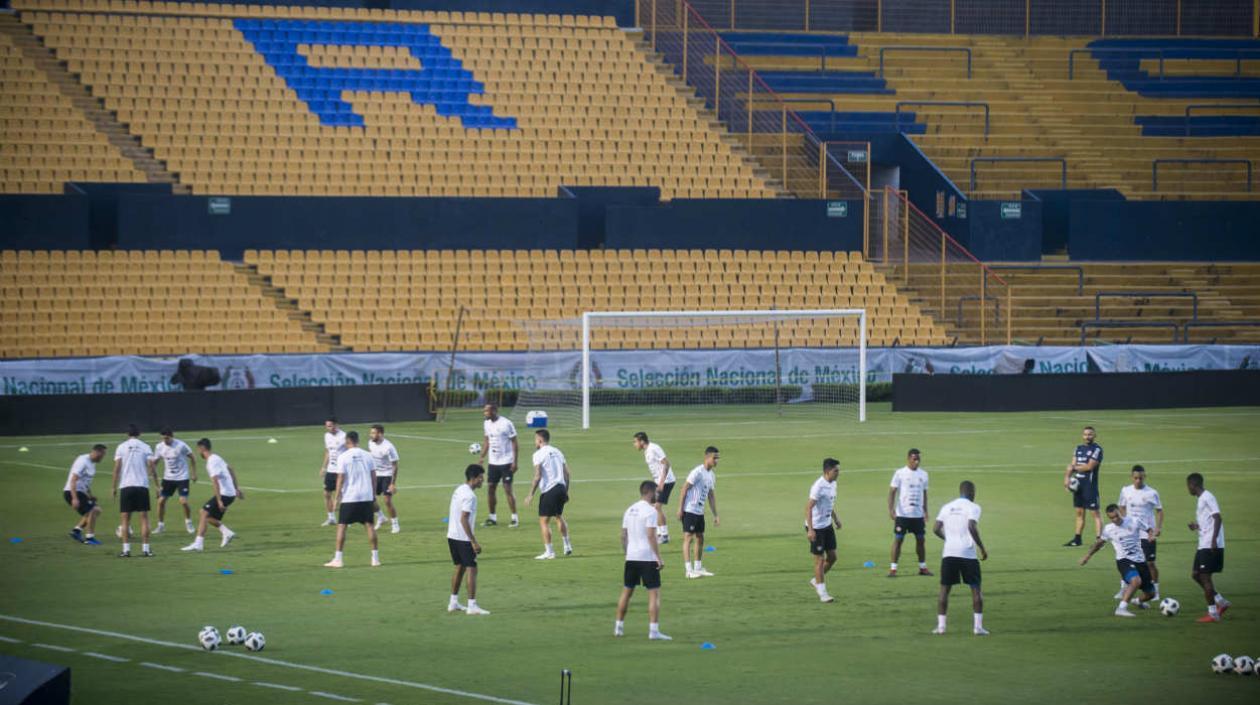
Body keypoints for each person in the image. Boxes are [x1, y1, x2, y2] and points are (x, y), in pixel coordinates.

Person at [1078, 504, 1156, 617]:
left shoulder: (1134, 521)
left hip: (1140, 560)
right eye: (1112, 518)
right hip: (1124, 561)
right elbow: (1099, 544)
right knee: (1136, 581)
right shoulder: (1109, 529)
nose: (1115, 520)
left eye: (1116, 516)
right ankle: (1121, 609)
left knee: (1151, 594)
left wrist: (1151, 536)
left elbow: (1149, 529)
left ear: (1120, 512)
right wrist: (1087, 556)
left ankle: (1137, 601)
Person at [615, 480, 670, 640]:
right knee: (654, 593)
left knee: (627, 591)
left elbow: (623, 536)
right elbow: (651, 536)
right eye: (657, 493)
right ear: (650, 492)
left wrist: (627, 553)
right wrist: (658, 558)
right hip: (647, 558)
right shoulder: (651, 511)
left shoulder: (629, 510)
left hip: (631, 557)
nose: (658, 496)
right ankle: (653, 631)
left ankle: (618, 627)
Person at [932, 480, 988, 636]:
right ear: (972, 492)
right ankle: (978, 628)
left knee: (944, 589)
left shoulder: (946, 507)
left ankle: (941, 627)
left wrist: (948, 539)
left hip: (949, 553)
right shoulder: (974, 507)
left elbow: (935, 528)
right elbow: (971, 526)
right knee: (975, 588)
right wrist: (981, 547)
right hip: (968, 554)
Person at [324, 431, 380, 568]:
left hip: (350, 497)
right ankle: (375, 559)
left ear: (347, 441)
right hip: (366, 496)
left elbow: (340, 479)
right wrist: (373, 496)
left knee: (342, 526)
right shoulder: (368, 455)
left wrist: (337, 498)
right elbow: (374, 478)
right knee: (370, 526)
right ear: (357, 440)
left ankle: (338, 559)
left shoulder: (343, 457)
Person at [181, 439, 243, 552]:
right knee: (206, 515)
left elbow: (215, 482)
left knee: (204, 513)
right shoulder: (216, 457)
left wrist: (219, 501)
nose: (198, 452)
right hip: (230, 493)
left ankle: (198, 544)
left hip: (225, 494)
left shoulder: (211, 462)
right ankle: (226, 532)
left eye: (198, 449)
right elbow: (231, 469)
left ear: (202, 448)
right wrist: (236, 488)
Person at [1186, 472, 1230, 623]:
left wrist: (1213, 541)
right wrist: (1196, 526)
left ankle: (1213, 613)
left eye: (1188, 486)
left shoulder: (1207, 497)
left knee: (1205, 577)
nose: (1188, 489)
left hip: (1209, 544)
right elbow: (1208, 521)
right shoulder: (1201, 499)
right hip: (1203, 543)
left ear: (1193, 485)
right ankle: (1220, 601)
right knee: (1196, 574)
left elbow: (1218, 517)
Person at [448, 464, 490, 616]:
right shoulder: (470, 496)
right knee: (472, 568)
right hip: (463, 538)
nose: (482, 480)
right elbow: (464, 518)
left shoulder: (459, 489)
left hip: (452, 535)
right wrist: (473, 541)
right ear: (473, 478)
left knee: (460, 567)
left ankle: (453, 602)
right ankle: (472, 606)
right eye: (480, 477)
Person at [1116, 465, 1163, 600]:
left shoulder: (1152, 493)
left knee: (1149, 563)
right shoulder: (1125, 491)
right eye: (1136, 478)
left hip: (1147, 533)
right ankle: (1123, 590)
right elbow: (1121, 506)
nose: (1138, 481)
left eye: (1140, 478)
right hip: (1131, 533)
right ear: (1132, 477)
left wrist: (1158, 528)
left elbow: (1159, 510)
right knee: (1126, 559)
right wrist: (1125, 521)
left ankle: (1156, 591)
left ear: (1144, 477)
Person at [525, 429, 572, 560]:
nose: (535, 442)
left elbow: (537, 476)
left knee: (544, 521)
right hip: (561, 488)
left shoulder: (538, 454)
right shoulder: (558, 451)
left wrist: (531, 494)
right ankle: (567, 545)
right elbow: (567, 474)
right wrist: (566, 491)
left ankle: (549, 552)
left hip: (549, 490)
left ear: (540, 440)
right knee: (558, 516)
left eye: (535, 439)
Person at [112, 424, 157, 558]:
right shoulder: (145, 446)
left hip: (126, 486)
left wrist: (113, 487)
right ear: (140, 433)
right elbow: (152, 467)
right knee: (144, 519)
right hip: (141, 486)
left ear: (127, 433)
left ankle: (126, 550)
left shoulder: (121, 447)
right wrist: (157, 485)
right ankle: (146, 550)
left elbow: (116, 469)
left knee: (125, 520)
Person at [887, 448, 931, 577]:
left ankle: (922, 567)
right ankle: (893, 569)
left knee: (921, 540)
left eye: (918, 459)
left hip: (917, 515)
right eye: (914, 459)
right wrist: (891, 509)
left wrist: (926, 511)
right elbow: (892, 492)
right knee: (898, 540)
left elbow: (924, 493)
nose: (917, 461)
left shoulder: (924, 474)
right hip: (903, 515)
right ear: (908, 459)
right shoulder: (900, 473)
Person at [678, 446, 720, 579]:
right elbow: (684, 489)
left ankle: (698, 567)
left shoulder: (712, 475)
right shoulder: (697, 472)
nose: (716, 461)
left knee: (700, 538)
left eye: (718, 458)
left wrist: (715, 515)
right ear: (707, 457)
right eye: (715, 458)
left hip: (700, 512)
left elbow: (711, 496)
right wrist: (680, 509)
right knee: (688, 538)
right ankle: (688, 570)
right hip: (690, 510)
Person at [805, 458, 842, 603]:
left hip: (827, 525)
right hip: (816, 527)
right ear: (827, 471)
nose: (838, 473)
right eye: (836, 471)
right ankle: (823, 593)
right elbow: (808, 508)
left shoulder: (833, 484)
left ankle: (816, 580)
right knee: (819, 560)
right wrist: (810, 529)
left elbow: (829, 503)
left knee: (833, 557)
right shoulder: (818, 487)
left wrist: (836, 518)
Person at [150, 427, 198, 535]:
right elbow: (156, 460)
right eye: (163, 439)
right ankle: (160, 526)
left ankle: (188, 523)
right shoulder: (159, 447)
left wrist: (193, 473)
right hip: (168, 478)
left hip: (182, 477)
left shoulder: (181, 445)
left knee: (183, 501)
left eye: (167, 438)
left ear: (172, 436)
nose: (165, 441)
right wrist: (152, 470)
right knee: (161, 501)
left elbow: (192, 457)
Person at [479, 404, 519, 527]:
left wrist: (515, 462)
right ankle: (492, 518)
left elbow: (515, 443)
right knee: (490, 488)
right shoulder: (486, 424)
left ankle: (514, 518)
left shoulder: (506, 423)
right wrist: (482, 457)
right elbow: (487, 441)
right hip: (493, 463)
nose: (485, 413)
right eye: (484, 411)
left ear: (495, 411)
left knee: (507, 489)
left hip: (506, 462)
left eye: (487, 411)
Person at [1062, 426, 1103, 547]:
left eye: (1090, 434)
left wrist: (1073, 468)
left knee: (1095, 513)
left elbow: (1089, 467)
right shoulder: (1078, 449)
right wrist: (1067, 479)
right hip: (1078, 485)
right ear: (1082, 436)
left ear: (1095, 435)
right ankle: (1077, 539)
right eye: (1085, 434)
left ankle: (1099, 540)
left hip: (1089, 486)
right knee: (1079, 512)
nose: (1087, 436)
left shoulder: (1097, 449)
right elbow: (1072, 465)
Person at [633, 432, 673, 544]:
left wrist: (661, 483)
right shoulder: (647, 451)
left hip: (666, 481)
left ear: (642, 441)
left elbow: (666, 464)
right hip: (659, 481)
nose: (634, 444)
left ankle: (664, 536)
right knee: (654, 507)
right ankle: (661, 533)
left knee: (657, 507)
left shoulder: (654, 448)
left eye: (635, 442)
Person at [64, 444, 107, 545]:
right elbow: (73, 480)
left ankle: (76, 531)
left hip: (80, 492)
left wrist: (89, 495)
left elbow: (85, 482)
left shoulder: (92, 463)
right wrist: (74, 498)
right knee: (94, 510)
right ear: (96, 452)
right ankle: (89, 538)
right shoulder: (83, 461)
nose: (103, 458)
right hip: (72, 492)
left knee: (95, 511)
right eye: (102, 455)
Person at [368, 424, 401, 534]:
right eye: (371, 433)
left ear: (380, 434)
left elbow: (395, 465)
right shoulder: (370, 444)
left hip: (387, 475)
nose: (371, 435)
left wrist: (393, 484)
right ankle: (381, 517)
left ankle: (395, 524)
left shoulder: (388, 447)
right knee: (370, 499)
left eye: (373, 433)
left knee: (387, 500)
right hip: (376, 475)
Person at [319, 417, 348, 527]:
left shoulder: (344, 436)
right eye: (327, 426)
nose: (329, 428)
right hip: (331, 469)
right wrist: (324, 467)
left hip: (341, 470)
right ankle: (331, 518)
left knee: (342, 495)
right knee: (326, 493)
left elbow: (350, 451)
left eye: (331, 425)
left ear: (336, 425)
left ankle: (345, 519)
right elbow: (328, 452)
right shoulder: (327, 436)